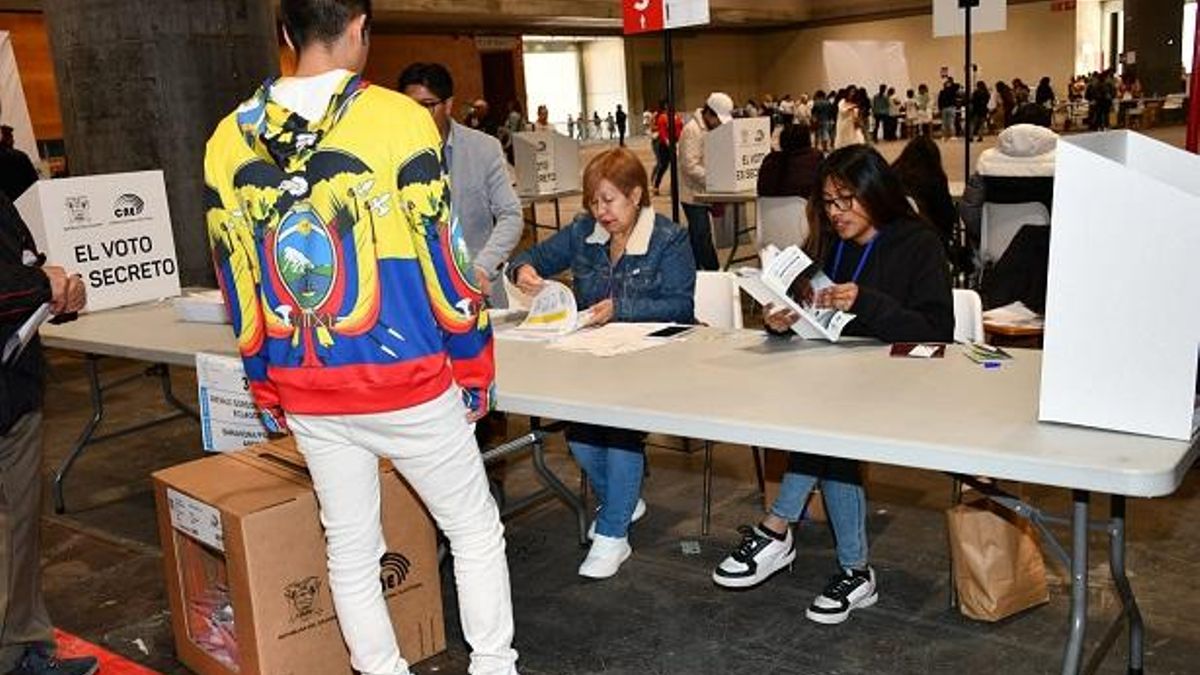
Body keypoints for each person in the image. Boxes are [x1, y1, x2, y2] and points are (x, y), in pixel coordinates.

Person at [204, 3, 519, 674]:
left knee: (349, 545)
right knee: (472, 528)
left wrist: (265, 381)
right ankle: (494, 664)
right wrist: (473, 364)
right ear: (357, 26)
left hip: (304, 379)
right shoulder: (399, 119)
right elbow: (446, 258)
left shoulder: (227, 138)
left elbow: (237, 281)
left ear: (284, 32)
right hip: (405, 375)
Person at [712, 144, 953, 625]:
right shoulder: (829, 241)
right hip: (838, 380)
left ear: (875, 193)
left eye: (847, 200)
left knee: (824, 426)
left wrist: (867, 301)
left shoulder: (917, 243)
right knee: (825, 425)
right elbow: (811, 314)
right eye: (828, 202)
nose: (836, 213)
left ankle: (777, 527)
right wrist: (780, 320)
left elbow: (937, 332)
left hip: (905, 383)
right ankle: (853, 571)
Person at [507, 147, 696, 578]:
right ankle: (623, 500)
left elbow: (681, 306)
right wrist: (523, 271)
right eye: (593, 202)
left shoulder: (669, 238)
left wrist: (620, 307)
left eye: (609, 201)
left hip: (655, 359)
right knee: (578, 437)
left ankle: (613, 534)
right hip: (595, 359)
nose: (600, 212)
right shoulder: (582, 233)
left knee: (618, 433)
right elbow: (528, 258)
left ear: (635, 196)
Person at [0, 193, 93, 675]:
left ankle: (24, 650)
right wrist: (41, 283)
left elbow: (23, 266)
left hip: (17, 390)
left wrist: (63, 294)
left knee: (20, 533)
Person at [399, 62, 523, 311]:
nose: (417, 116)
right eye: (408, 107)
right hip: (417, 298)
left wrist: (482, 267)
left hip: (479, 290)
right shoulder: (392, 155)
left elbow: (510, 215)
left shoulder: (484, 149)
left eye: (427, 106)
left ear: (448, 105)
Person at [891, 135, 963, 274]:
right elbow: (946, 216)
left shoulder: (892, 175)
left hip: (895, 243)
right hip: (929, 241)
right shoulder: (935, 178)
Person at [678, 92, 733, 270]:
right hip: (693, 194)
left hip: (707, 191)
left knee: (699, 236)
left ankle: (695, 271)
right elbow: (690, 166)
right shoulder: (692, 130)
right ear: (709, 114)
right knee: (702, 235)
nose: (719, 124)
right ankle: (712, 270)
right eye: (718, 119)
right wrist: (715, 179)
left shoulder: (710, 128)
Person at [756, 124, 823, 200]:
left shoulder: (770, 161)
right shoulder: (815, 159)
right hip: (803, 209)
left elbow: (761, 190)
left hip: (768, 210)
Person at [0, 126, 39, 201]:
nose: (13, 141)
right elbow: (34, 180)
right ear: (9, 140)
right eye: (12, 138)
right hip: (22, 200)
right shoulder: (21, 156)